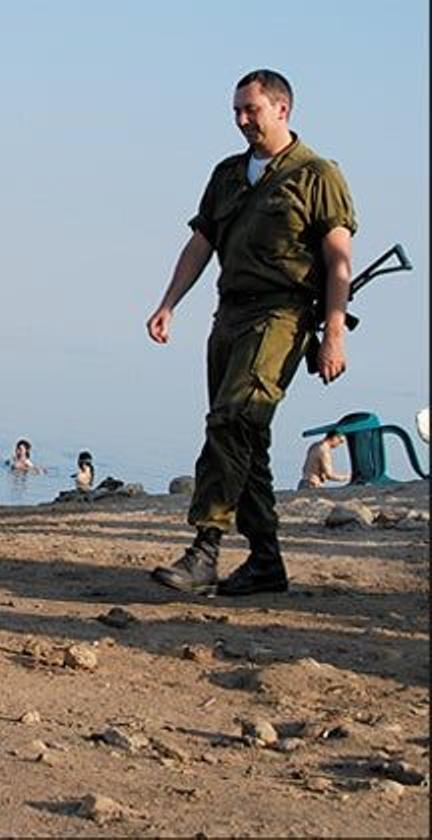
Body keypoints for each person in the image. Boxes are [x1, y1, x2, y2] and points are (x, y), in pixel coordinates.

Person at [147, 69, 356, 597]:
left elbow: (338, 262)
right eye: (236, 111)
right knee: (246, 436)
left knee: (232, 417)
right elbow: (202, 243)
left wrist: (334, 332)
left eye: (251, 110)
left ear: (282, 109)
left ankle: (206, 548)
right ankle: (265, 561)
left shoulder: (316, 174)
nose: (242, 120)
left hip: (282, 316)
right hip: (229, 316)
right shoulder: (228, 174)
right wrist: (169, 302)